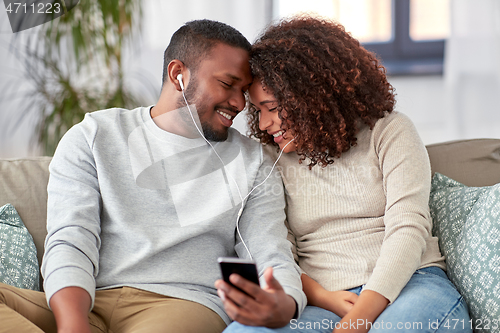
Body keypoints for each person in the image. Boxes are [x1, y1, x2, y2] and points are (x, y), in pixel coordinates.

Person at [0, 19, 306, 333]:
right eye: (228, 85)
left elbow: (270, 252)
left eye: (243, 91)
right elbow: (70, 242)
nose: (240, 104)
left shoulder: (252, 160)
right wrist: (73, 325)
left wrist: (283, 305)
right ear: (179, 75)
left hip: (181, 304)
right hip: (89, 302)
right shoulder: (94, 135)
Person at [221, 16, 471, 333]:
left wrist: (359, 318)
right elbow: (277, 249)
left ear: (309, 95)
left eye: (272, 107)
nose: (265, 124)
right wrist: (324, 297)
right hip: (323, 301)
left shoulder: (390, 131)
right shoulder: (272, 157)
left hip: (409, 285)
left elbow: (409, 227)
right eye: (258, 111)